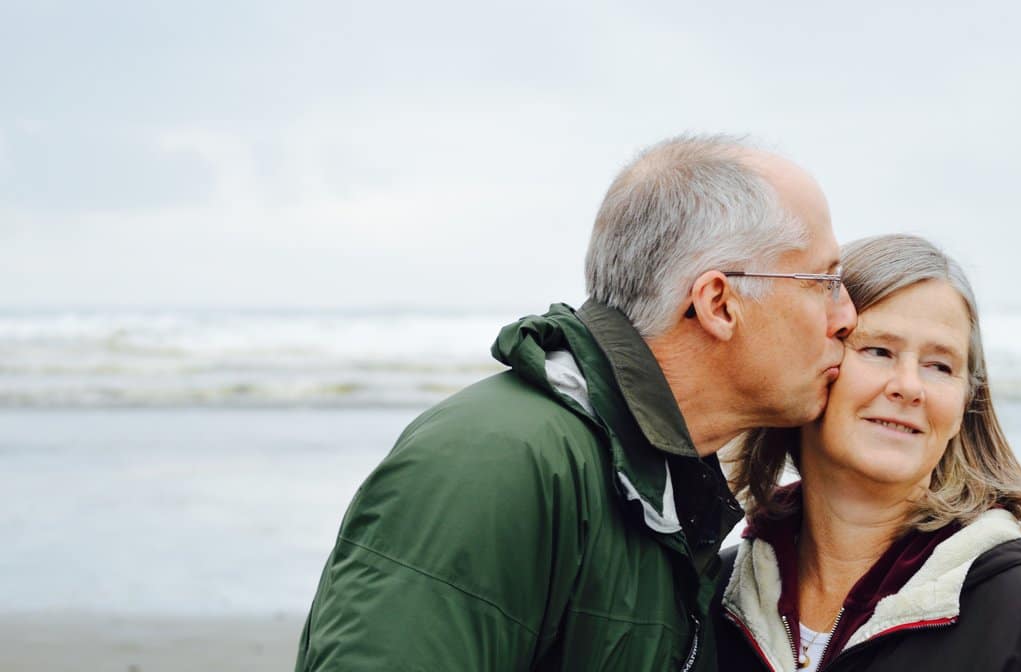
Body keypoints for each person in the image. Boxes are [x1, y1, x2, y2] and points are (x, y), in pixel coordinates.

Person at [294, 134, 858, 671]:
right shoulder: (495, 464)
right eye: (823, 281)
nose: (846, 316)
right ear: (718, 303)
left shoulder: (657, 483)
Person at [715, 234, 1021, 671]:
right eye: (878, 350)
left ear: (965, 405)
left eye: (940, 366)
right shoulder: (712, 599)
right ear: (812, 365)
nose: (909, 387)